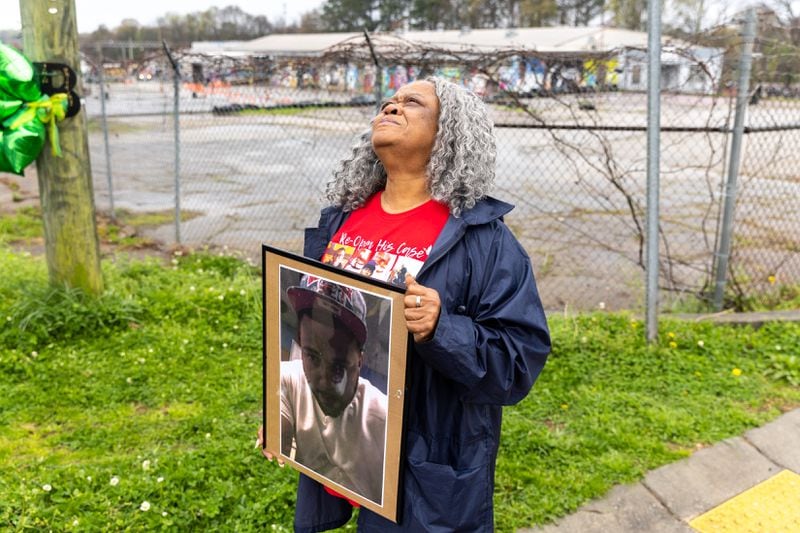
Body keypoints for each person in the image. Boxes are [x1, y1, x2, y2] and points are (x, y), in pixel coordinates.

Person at [260, 76, 550, 531]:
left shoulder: (484, 241)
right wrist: (286, 422)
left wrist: (442, 329)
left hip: (422, 469)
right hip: (342, 459)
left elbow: (517, 362)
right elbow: (306, 334)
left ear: (449, 133)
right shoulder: (340, 218)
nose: (391, 107)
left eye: (411, 103)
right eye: (389, 101)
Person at [280, 275, 387, 504]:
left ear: (360, 360)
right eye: (312, 356)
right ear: (300, 344)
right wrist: (274, 431)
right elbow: (278, 411)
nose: (323, 380)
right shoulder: (287, 379)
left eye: (338, 365)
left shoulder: (385, 420)